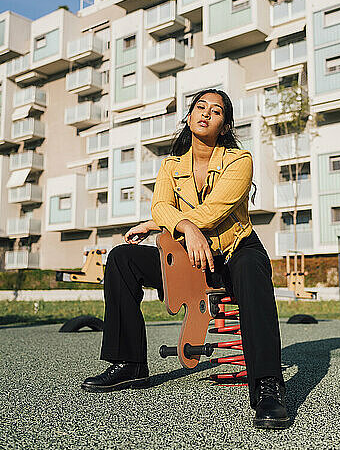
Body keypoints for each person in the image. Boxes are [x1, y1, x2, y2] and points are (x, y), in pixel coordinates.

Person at [81, 88, 290, 430]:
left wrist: (182, 224)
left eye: (217, 111)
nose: (206, 114)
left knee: (252, 272)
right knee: (122, 258)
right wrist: (177, 225)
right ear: (189, 117)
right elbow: (160, 206)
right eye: (200, 108)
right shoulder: (170, 165)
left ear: (224, 125)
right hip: (192, 256)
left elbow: (214, 210)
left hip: (236, 251)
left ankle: (267, 385)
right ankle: (129, 363)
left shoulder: (240, 161)